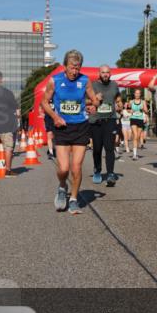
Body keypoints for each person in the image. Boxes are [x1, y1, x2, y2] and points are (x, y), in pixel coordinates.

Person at [40, 50, 98, 214]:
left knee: (76, 167)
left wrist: (95, 105)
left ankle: (73, 199)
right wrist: (55, 117)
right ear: (65, 66)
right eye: (72, 68)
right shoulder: (55, 81)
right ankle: (62, 186)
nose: (75, 71)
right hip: (62, 127)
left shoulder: (85, 80)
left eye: (78, 68)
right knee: (63, 169)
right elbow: (44, 102)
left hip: (81, 126)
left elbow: (94, 100)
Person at [89, 64, 123, 187]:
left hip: (110, 120)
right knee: (97, 149)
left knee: (109, 148)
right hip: (96, 121)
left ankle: (110, 174)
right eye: (103, 72)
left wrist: (120, 103)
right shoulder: (93, 85)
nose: (105, 74)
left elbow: (118, 96)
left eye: (107, 72)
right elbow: (84, 100)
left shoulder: (114, 84)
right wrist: (94, 99)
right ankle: (97, 170)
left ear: (110, 73)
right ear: (99, 73)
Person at [127, 88, 146, 160]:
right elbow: (128, 110)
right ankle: (134, 154)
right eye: (136, 93)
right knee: (135, 135)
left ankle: (136, 152)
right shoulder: (131, 101)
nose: (137, 94)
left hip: (140, 119)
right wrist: (130, 111)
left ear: (140, 94)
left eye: (139, 93)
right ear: (134, 94)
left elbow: (146, 110)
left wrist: (142, 109)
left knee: (137, 137)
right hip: (133, 119)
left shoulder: (143, 102)